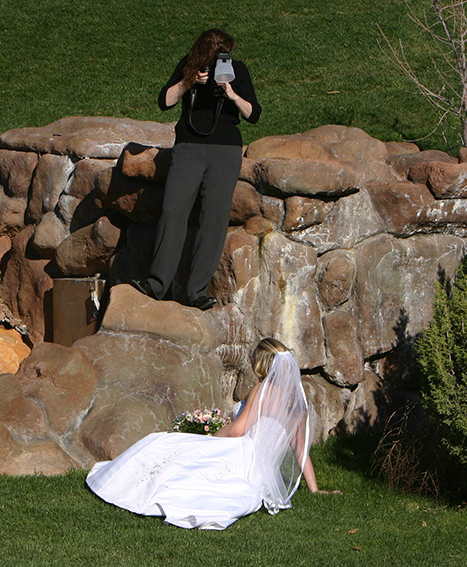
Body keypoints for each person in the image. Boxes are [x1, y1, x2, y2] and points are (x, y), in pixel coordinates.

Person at [85, 338, 339, 530]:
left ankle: (125, 482)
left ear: (261, 364)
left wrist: (209, 439)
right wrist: (314, 489)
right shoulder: (296, 400)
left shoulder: (262, 390)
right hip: (260, 469)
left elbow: (239, 430)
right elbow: (300, 449)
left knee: (163, 443)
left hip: (240, 452)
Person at [132, 29, 261, 310]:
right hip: (189, 146)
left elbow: (254, 114)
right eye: (212, 54)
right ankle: (157, 283)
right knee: (173, 210)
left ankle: (197, 291)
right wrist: (188, 82)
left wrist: (231, 93)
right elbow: (164, 102)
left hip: (225, 150)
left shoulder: (237, 69)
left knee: (214, 218)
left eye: (222, 55)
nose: (217, 61)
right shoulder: (188, 66)